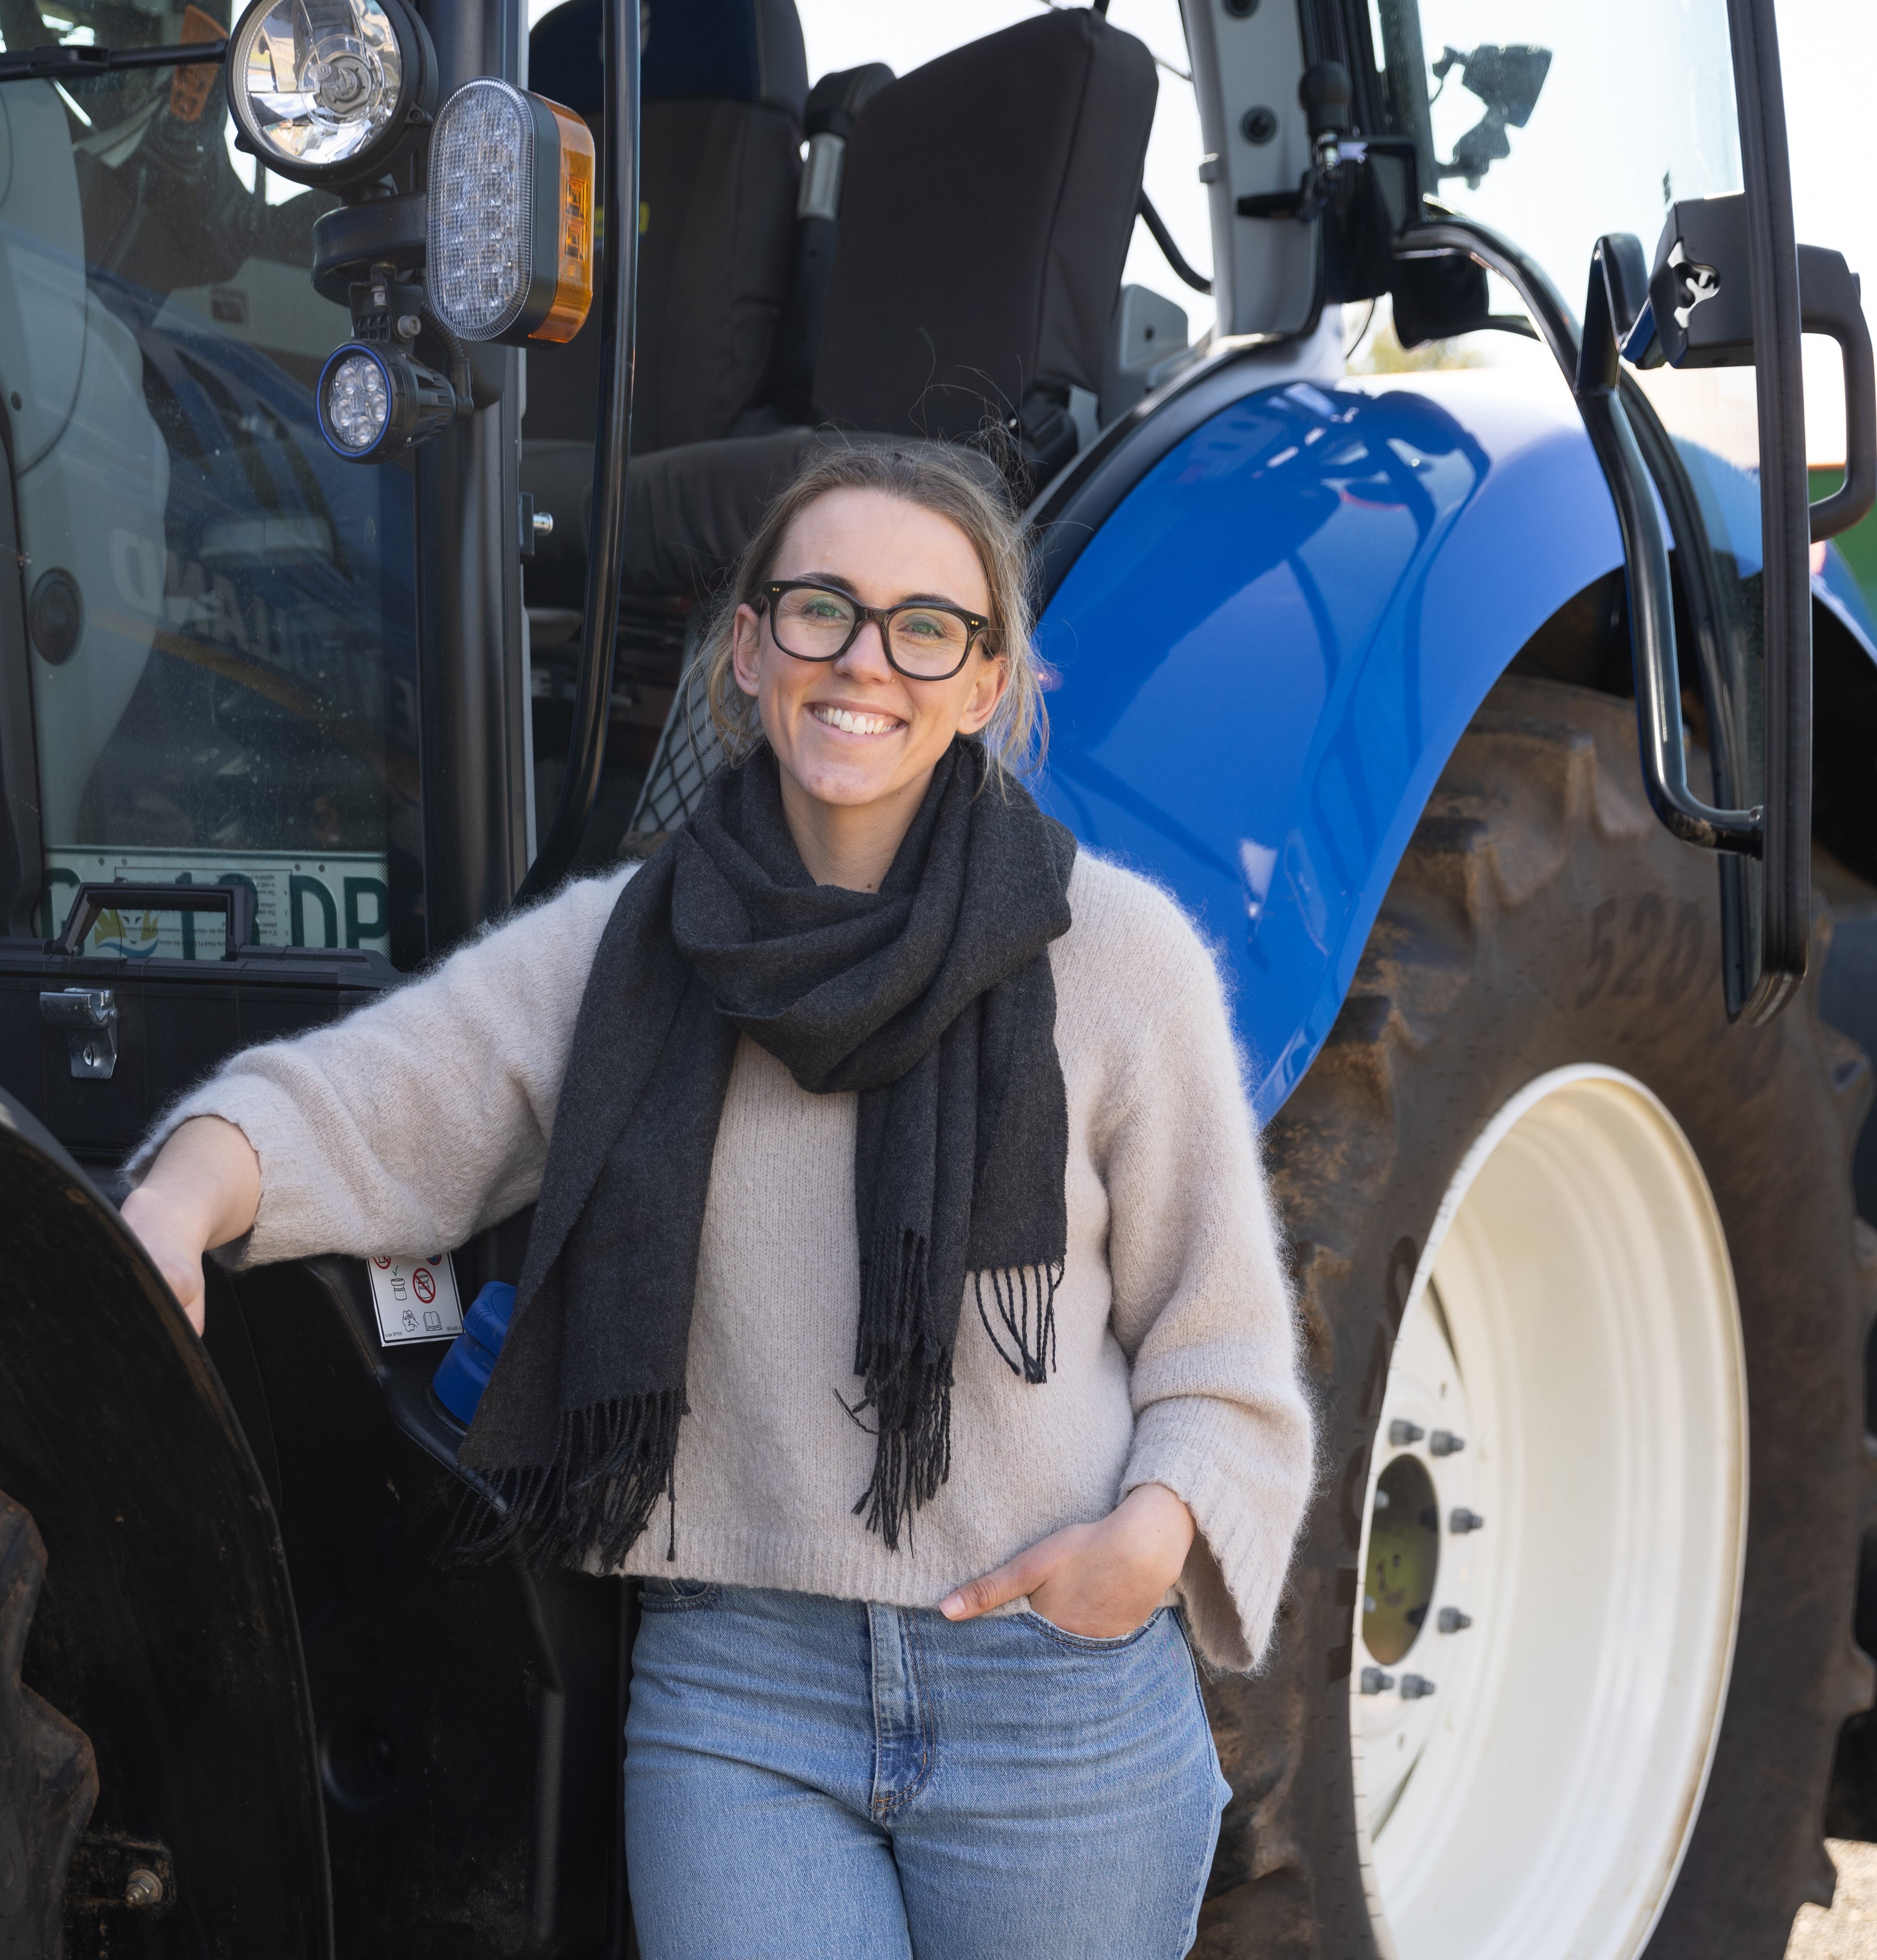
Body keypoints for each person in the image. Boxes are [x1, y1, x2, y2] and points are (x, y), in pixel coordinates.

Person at [122, 445, 1314, 1960]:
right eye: (822, 610)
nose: (865, 660)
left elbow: (1226, 1360)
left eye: (923, 627)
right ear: (750, 649)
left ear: (988, 683)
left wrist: (1143, 1544)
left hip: (1051, 1694)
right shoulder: (623, 951)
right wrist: (180, 1196)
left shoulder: (1117, 961)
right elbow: (373, 1101)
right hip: (743, 1696)